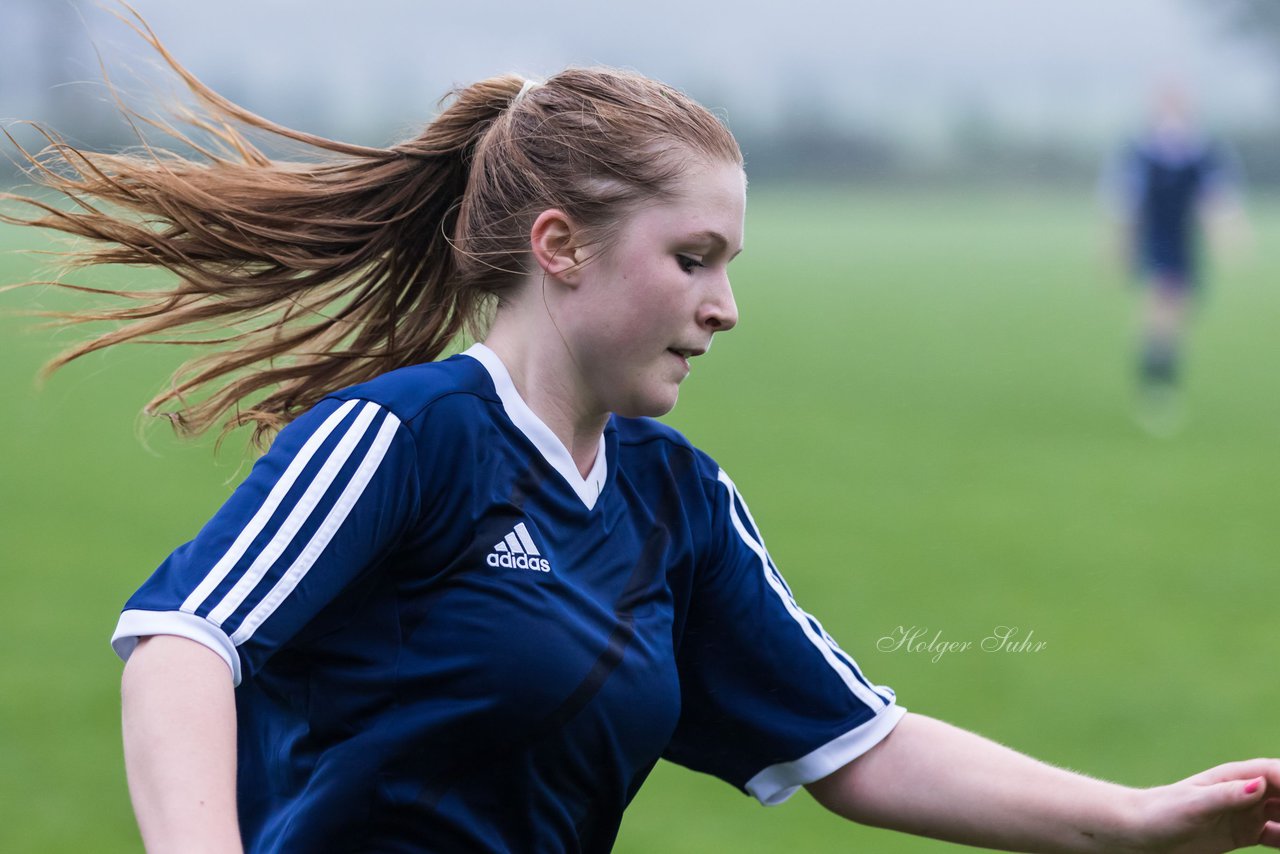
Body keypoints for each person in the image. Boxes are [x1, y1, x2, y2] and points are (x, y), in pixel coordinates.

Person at [5, 19, 1279, 854]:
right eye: (693, 258)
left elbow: (856, 738)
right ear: (559, 246)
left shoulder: (675, 502)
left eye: (729, 262)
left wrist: (1132, 816)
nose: (725, 304)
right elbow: (181, 640)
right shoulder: (407, 435)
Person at [1103, 83, 1248, 433]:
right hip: (1155, 242)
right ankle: (1156, 389)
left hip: (1186, 244)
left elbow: (1217, 202)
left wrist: (1229, 239)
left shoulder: (1204, 151)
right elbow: (1124, 206)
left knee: (1175, 318)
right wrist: (1117, 249)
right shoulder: (1138, 151)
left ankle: (1159, 377)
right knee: (1159, 309)